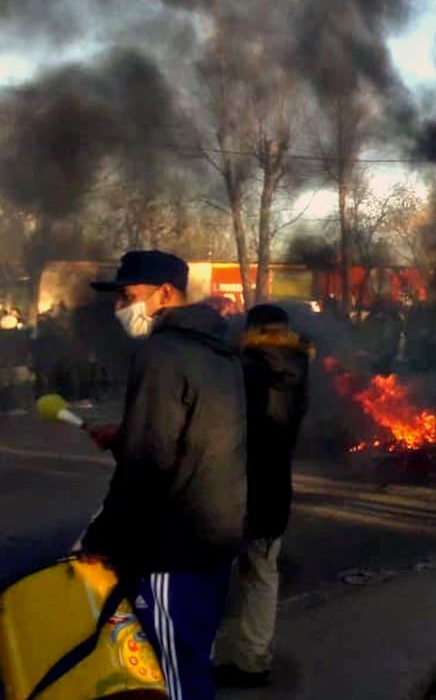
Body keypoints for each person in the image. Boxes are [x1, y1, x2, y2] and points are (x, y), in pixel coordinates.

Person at [82, 250, 247, 700]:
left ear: (165, 293)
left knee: (173, 677)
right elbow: (196, 436)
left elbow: (147, 461)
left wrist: (102, 537)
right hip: (216, 536)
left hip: (174, 546)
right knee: (194, 659)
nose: (121, 307)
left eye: (128, 296)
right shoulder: (221, 350)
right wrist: (124, 435)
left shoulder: (160, 352)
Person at [213, 305, 311, 687]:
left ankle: (198, 655)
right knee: (262, 573)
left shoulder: (241, 367)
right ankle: (252, 659)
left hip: (231, 484)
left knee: (215, 573)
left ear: (251, 329)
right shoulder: (299, 365)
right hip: (273, 486)